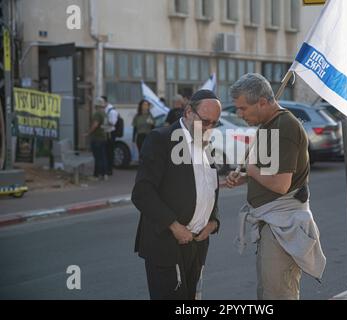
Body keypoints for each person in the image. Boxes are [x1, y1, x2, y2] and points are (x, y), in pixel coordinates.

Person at [226, 74, 326, 300]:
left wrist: (251, 171)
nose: (239, 115)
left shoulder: (285, 126)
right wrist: (245, 177)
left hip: (283, 223)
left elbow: (281, 185)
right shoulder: (268, 126)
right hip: (270, 223)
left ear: (262, 102)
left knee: (278, 294)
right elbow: (269, 173)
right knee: (267, 293)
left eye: (243, 108)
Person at [132, 89, 222, 300]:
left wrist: (214, 221)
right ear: (188, 112)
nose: (209, 128)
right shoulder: (161, 139)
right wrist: (174, 226)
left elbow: (210, 188)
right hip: (167, 242)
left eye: (214, 123)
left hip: (198, 244)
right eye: (205, 121)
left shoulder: (205, 143)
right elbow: (142, 193)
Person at [85, 97, 108, 181]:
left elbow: (95, 124)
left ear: (96, 105)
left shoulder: (97, 114)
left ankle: (96, 175)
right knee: (103, 156)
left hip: (97, 137)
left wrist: (88, 133)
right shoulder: (104, 113)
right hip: (103, 137)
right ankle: (104, 174)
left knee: (97, 157)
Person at [101, 96, 119, 176]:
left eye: (101, 102)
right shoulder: (105, 110)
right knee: (106, 152)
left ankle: (110, 170)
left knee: (109, 152)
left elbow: (113, 122)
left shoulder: (111, 111)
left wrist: (105, 122)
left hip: (110, 133)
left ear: (105, 102)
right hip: (106, 133)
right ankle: (106, 169)